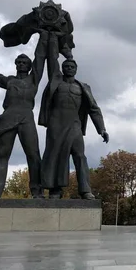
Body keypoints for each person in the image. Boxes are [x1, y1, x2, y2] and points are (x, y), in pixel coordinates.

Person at [0, 31, 48, 198]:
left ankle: (37, 191)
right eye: (19, 62)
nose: (21, 64)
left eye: (24, 62)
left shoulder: (33, 79)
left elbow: (40, 57)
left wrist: (43, 37)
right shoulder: (10, 81)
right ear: (16, 65)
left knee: (34, 155)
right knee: (2, 154)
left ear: (29, 66)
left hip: (26, 118)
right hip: (8, 118)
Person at [39, 34, 109, 199]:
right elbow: (52, 60)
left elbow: (94, 109)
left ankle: (85, 190)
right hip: (56, 125)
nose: (69, 68)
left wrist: (102, 129)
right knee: (55, 155)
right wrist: (52, 40)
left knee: (80, 155)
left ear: (76, 69)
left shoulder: (83, 87)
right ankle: (55, 190)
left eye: (72, 66)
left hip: (74, 126)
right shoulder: (55, 82)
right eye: (66, 66)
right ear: (62, 69)